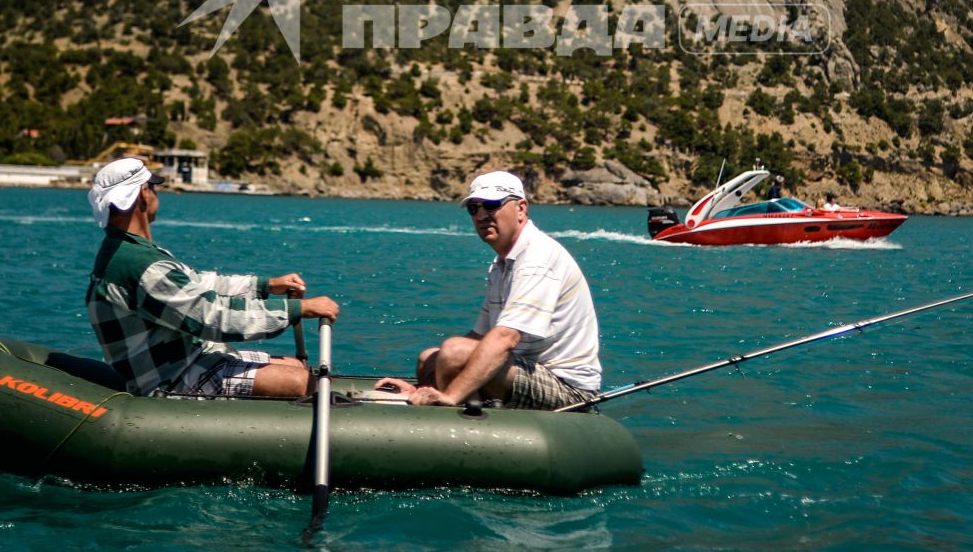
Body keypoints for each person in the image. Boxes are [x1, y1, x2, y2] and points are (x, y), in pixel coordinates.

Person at [85, 156, 338, 398]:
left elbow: (199, 284)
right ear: (143, 192)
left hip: (190, 357)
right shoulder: (140, 265)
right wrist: (296, 309)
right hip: (174, 379)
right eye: (153, 187)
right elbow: (213, 318)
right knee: (297, 382)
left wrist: (264, 286)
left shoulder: (128, 251)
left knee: (295, 366)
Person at [375, 169, 601, 410]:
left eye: (492, 205)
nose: (482, 215)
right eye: (475, 208)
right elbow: (480, 337)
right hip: (524, 368)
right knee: (429, 357)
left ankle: (449, 410)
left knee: (453, 352)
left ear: (521, 208)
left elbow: (505, 338)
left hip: (567, 388)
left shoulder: (537, 259)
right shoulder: (502, 264)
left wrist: (450, 396)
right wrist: (424, 386)